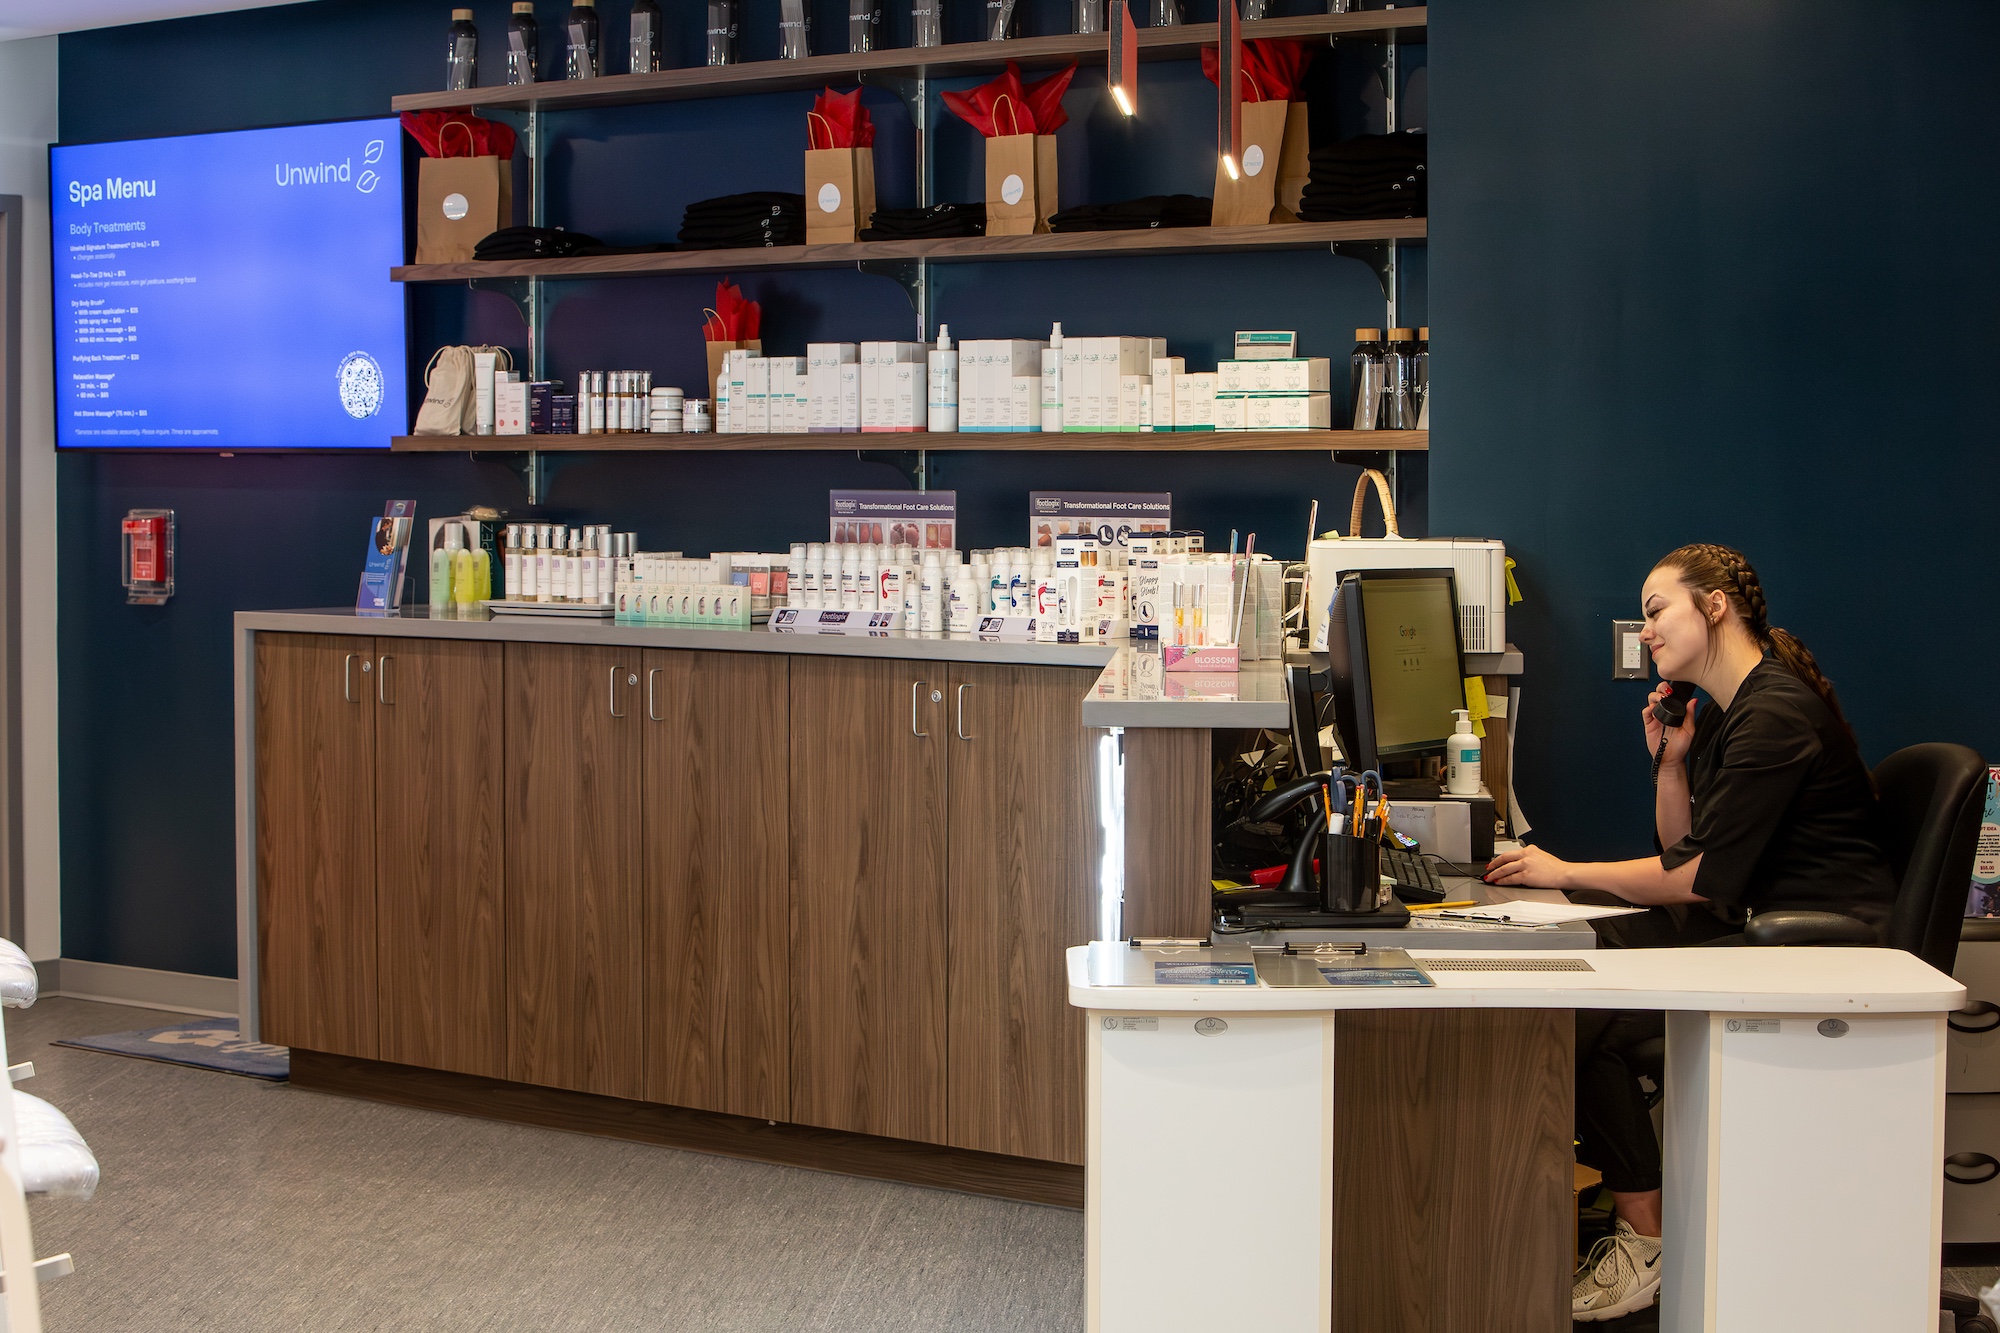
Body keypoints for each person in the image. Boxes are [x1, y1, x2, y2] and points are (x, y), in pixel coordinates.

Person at [1483, 543, 1896, 1323]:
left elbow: (1697, 879)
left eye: (1655, 610)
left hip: (1814, 945)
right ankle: (1648, 1231)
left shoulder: (1773, 712)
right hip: (1754, 923)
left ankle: (1648, 1242)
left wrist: (1562, 869)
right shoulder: (1733, 711)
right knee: (1583, 963)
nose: (1645, 631)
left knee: (1584, 1014)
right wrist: (1670, 765)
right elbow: (1691, 853)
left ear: (1714, 607)